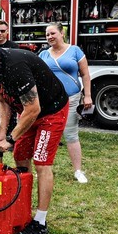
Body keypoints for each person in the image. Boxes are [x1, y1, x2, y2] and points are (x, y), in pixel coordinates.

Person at [0, 28, 69, 234]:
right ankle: (22, 210)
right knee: (21, 156)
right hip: (28, 111)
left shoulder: (15, 65)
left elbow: (34, 109)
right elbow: (3, 101)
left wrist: (11, 138)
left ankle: (40, 221)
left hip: (51, 111)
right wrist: (2, 132)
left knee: (41, 162)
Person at [38, 23, 92, 183]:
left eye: (53, 33)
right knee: (46, 135)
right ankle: (43, 169)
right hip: (50, 102)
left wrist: (87, 95)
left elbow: (85, 74)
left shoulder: (74, 51)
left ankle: (78, 171)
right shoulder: (43, 55)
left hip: (72, 99)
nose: (50, 37)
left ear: (62, 33)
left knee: (71, 134)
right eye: (47, 34)